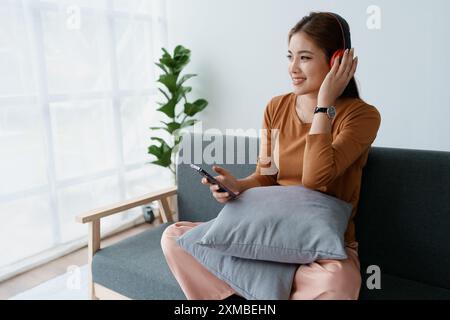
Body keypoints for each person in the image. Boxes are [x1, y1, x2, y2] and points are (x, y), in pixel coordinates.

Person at [161, 11, 381, 300]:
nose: (293, 68)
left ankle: (253, 287)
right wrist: (238, 186)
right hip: (269, 235)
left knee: (338, 281)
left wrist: (324, 104)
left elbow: (316, 179)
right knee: (174, 238)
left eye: (304, 57)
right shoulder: (276, 107)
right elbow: (266, 175)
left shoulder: (362, 116)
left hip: (321, 245)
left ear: (336, 60)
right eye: (289, 56)